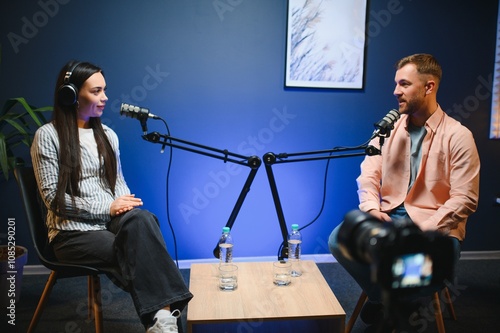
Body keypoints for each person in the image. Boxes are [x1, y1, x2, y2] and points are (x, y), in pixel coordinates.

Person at [31, 60, 193, 333]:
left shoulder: (107, 135)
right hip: (71, 234)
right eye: (96, 91)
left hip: (109, 224)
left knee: (142, 219)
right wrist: (108, 207)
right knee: (140, 249)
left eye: (104, 90)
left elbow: (117, 183)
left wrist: (125, 207)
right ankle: (166, 318)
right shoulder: (48, 136)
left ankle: (162, 322)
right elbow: (54, 200)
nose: (105, 98)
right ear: (70, 94)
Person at [328, 54, 480, 331]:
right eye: (396, 83)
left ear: (429, 87)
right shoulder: (386, 131)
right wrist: (372, 210)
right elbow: (368, 176)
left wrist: (425, 230)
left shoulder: (459, 136)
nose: (395, 91)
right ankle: (388, 298)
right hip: (386, 216)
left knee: (417, 261)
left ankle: (391, 296)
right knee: (340, 239)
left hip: (435, 225)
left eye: (404, 84)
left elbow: (465, 198)